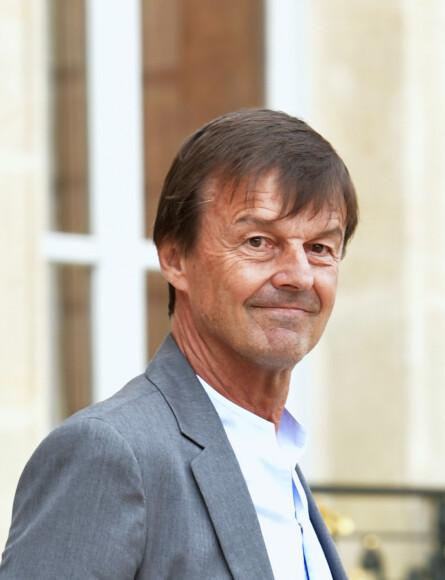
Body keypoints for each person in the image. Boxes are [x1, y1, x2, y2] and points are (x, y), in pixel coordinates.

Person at [0, 109, 359, 579]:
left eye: (320, 248)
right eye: (257, 241)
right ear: (174, 258)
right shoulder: (111, 454)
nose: (297, 276)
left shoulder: (277, 456)